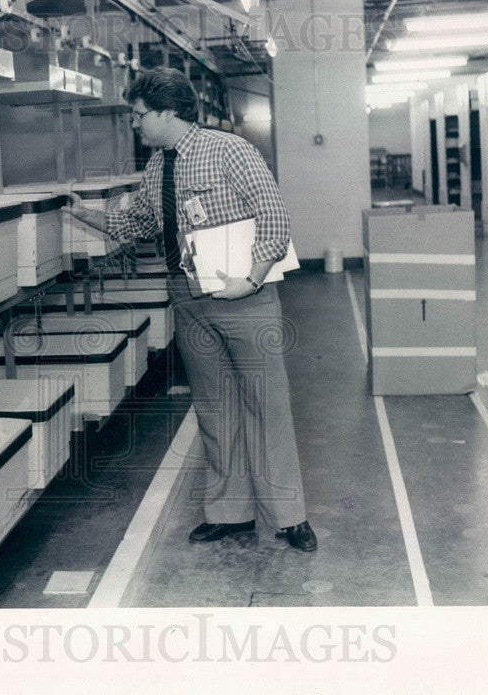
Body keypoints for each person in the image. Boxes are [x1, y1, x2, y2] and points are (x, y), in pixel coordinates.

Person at [66, 67, 316, 552]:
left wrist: (251, 279)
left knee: (267, 406)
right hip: (188, 297)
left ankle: (289, 517)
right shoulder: (159, 165)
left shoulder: (229, 151)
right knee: (215, 408)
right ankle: (230, 513)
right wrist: (86, 215)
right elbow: (138, 221)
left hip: (245, 300)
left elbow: (274, 214)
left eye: (139, 115)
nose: (133, 124)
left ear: (167, 111)